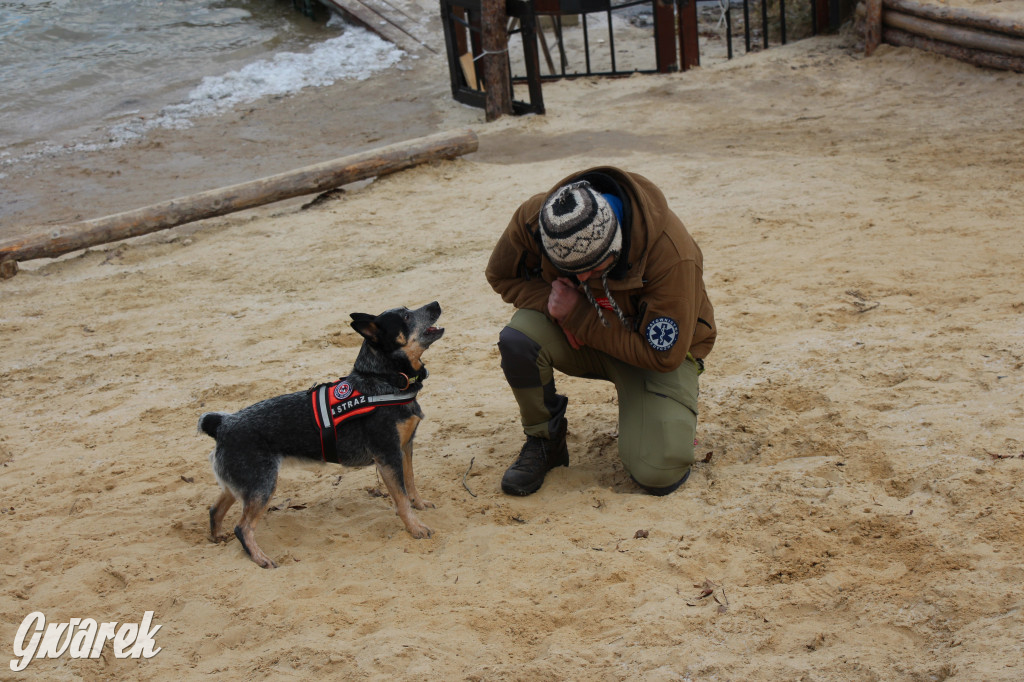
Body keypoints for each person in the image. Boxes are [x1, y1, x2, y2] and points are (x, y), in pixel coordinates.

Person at [485, 167, 716, 496]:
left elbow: (662, 356)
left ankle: (659, 418)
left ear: (617, 243)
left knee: (658, 472)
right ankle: (544, 441)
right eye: (570, 270)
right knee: (519, 338)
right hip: (586, 338)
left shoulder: (673, 256)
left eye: (593, 268)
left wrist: (577, 315)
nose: (581, 280)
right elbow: (502, 277)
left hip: (655, 355)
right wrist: (560, 311)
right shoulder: (540, 219)